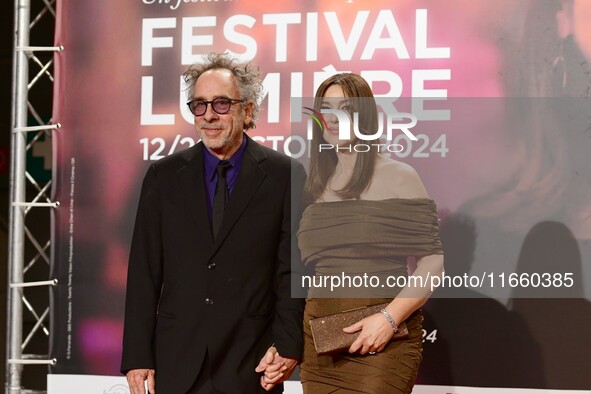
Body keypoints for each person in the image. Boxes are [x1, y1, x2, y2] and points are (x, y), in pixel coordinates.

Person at [120, 52, 306, 393]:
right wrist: (136, 355)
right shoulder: (163, 177)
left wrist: (289, 344)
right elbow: (144, 273)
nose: (209, 115)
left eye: (221, 104)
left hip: (252, 362)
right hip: (176, 360)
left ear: (247, 110)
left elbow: (291, 272)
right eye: (199, 105)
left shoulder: (285, 176)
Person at [292, 73, 444, 393]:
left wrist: (388, 319)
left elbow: (432, 264)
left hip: (382, 343)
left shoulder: (400, 177)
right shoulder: (313, 187)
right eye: (326, 109)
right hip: (318, 346)